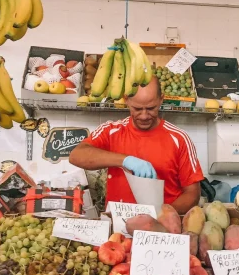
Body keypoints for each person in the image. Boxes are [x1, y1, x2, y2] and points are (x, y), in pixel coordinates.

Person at [70, 77, 204, 214]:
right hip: (118, 225)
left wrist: (163, 216)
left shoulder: (179, 139)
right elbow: (76, 155)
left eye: (151, 108)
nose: (144, 116)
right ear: (126, 99)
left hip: (162, 228)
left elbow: (192, 193)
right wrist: (125, 160)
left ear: (161, 99)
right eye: (137, 108)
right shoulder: (111, 131)